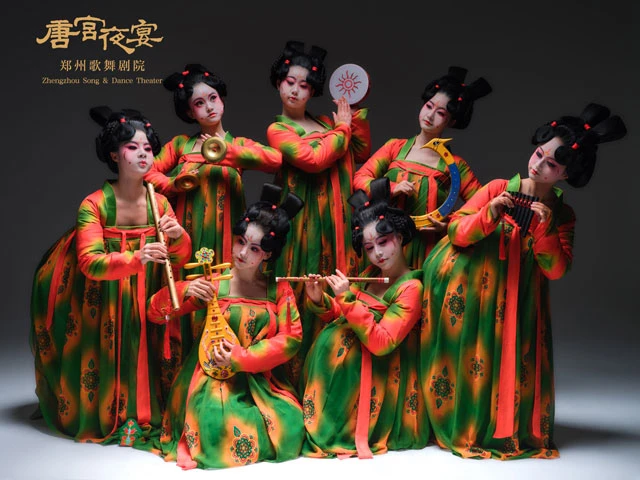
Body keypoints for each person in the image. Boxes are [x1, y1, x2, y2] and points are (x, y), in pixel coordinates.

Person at [420, 103, 627, 459]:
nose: (538, 165)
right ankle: (466, 425)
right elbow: (456, 232)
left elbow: (557, 269)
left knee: (512, 358)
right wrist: (489, 213)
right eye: (539, 154)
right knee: (472, 358)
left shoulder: (562, 215)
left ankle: (505, 428)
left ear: (565, 175)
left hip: (521, 298)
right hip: (476, 291)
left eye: (552, 165)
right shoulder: (498, 188)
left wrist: (545, 231)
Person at [30, 106, 192, 444]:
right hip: (105, 294)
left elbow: (178, 258)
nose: (143, 154)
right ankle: (112, 414)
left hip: (148, 290)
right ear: (114, 155)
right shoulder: (94, 204)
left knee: (148, 345)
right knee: (110, 347)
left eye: (147, 148)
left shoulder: (160, 203)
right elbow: (90, 261)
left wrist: (178, 236)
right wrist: (137, 257)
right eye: (133, 147)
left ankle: (146, 412)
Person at [141, 183, 305, 470]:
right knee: (215, 426)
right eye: (240, 241)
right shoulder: (215, 283)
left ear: (267, 254)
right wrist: (187, 289)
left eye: (254, 248)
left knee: (290, 425)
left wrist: (242, 357)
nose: (242, 253)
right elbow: (155, 312)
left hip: (260, 379)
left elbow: (290, 338)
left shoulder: (279, 290)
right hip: (212, 377)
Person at [300, 177, 428, 459]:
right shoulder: (370, 275)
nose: (378, 253)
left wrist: (347, 298)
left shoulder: (411, 288)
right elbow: (343, 315)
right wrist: (319, 298)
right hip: (342, 380)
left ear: (400, 237)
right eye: (369, 248)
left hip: (374, 383)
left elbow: (382, 342)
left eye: (383, 242)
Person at [267, 40, 371, 381]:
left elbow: (360, 149)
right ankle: (295, 379)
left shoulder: (327, 122)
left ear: (312, 91)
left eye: (304, 85)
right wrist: (342, 127)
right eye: (290, 82)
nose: (295, 90)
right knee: (303, 285)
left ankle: (336, 375)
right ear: (279, 83)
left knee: (339, 283)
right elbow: (314, 160)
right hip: (303, 225)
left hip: (337, 221)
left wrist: (353, 114)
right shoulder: (279, 130)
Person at [145, 63, 282, 293]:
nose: (209, 107)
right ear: (190, 112)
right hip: (186, 230)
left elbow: (274, 160)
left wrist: (226, 151)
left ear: (222, 99)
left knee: (224, 284)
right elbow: (147, 172)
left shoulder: (237, 145)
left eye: (213, 98)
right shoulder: (181, 145)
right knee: (188, 283)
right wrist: (172, 184)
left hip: (227, 231)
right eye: (199, 103)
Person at [354, 66, 491, 268]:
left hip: (429, 250)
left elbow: (481, 206)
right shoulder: (395, 147)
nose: (430, 115)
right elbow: (360, 178)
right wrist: (391, 188)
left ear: (452, 121)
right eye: (429, 106)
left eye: (441, 113)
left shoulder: (455, 166)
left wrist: (449, 225)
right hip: (384, 244)